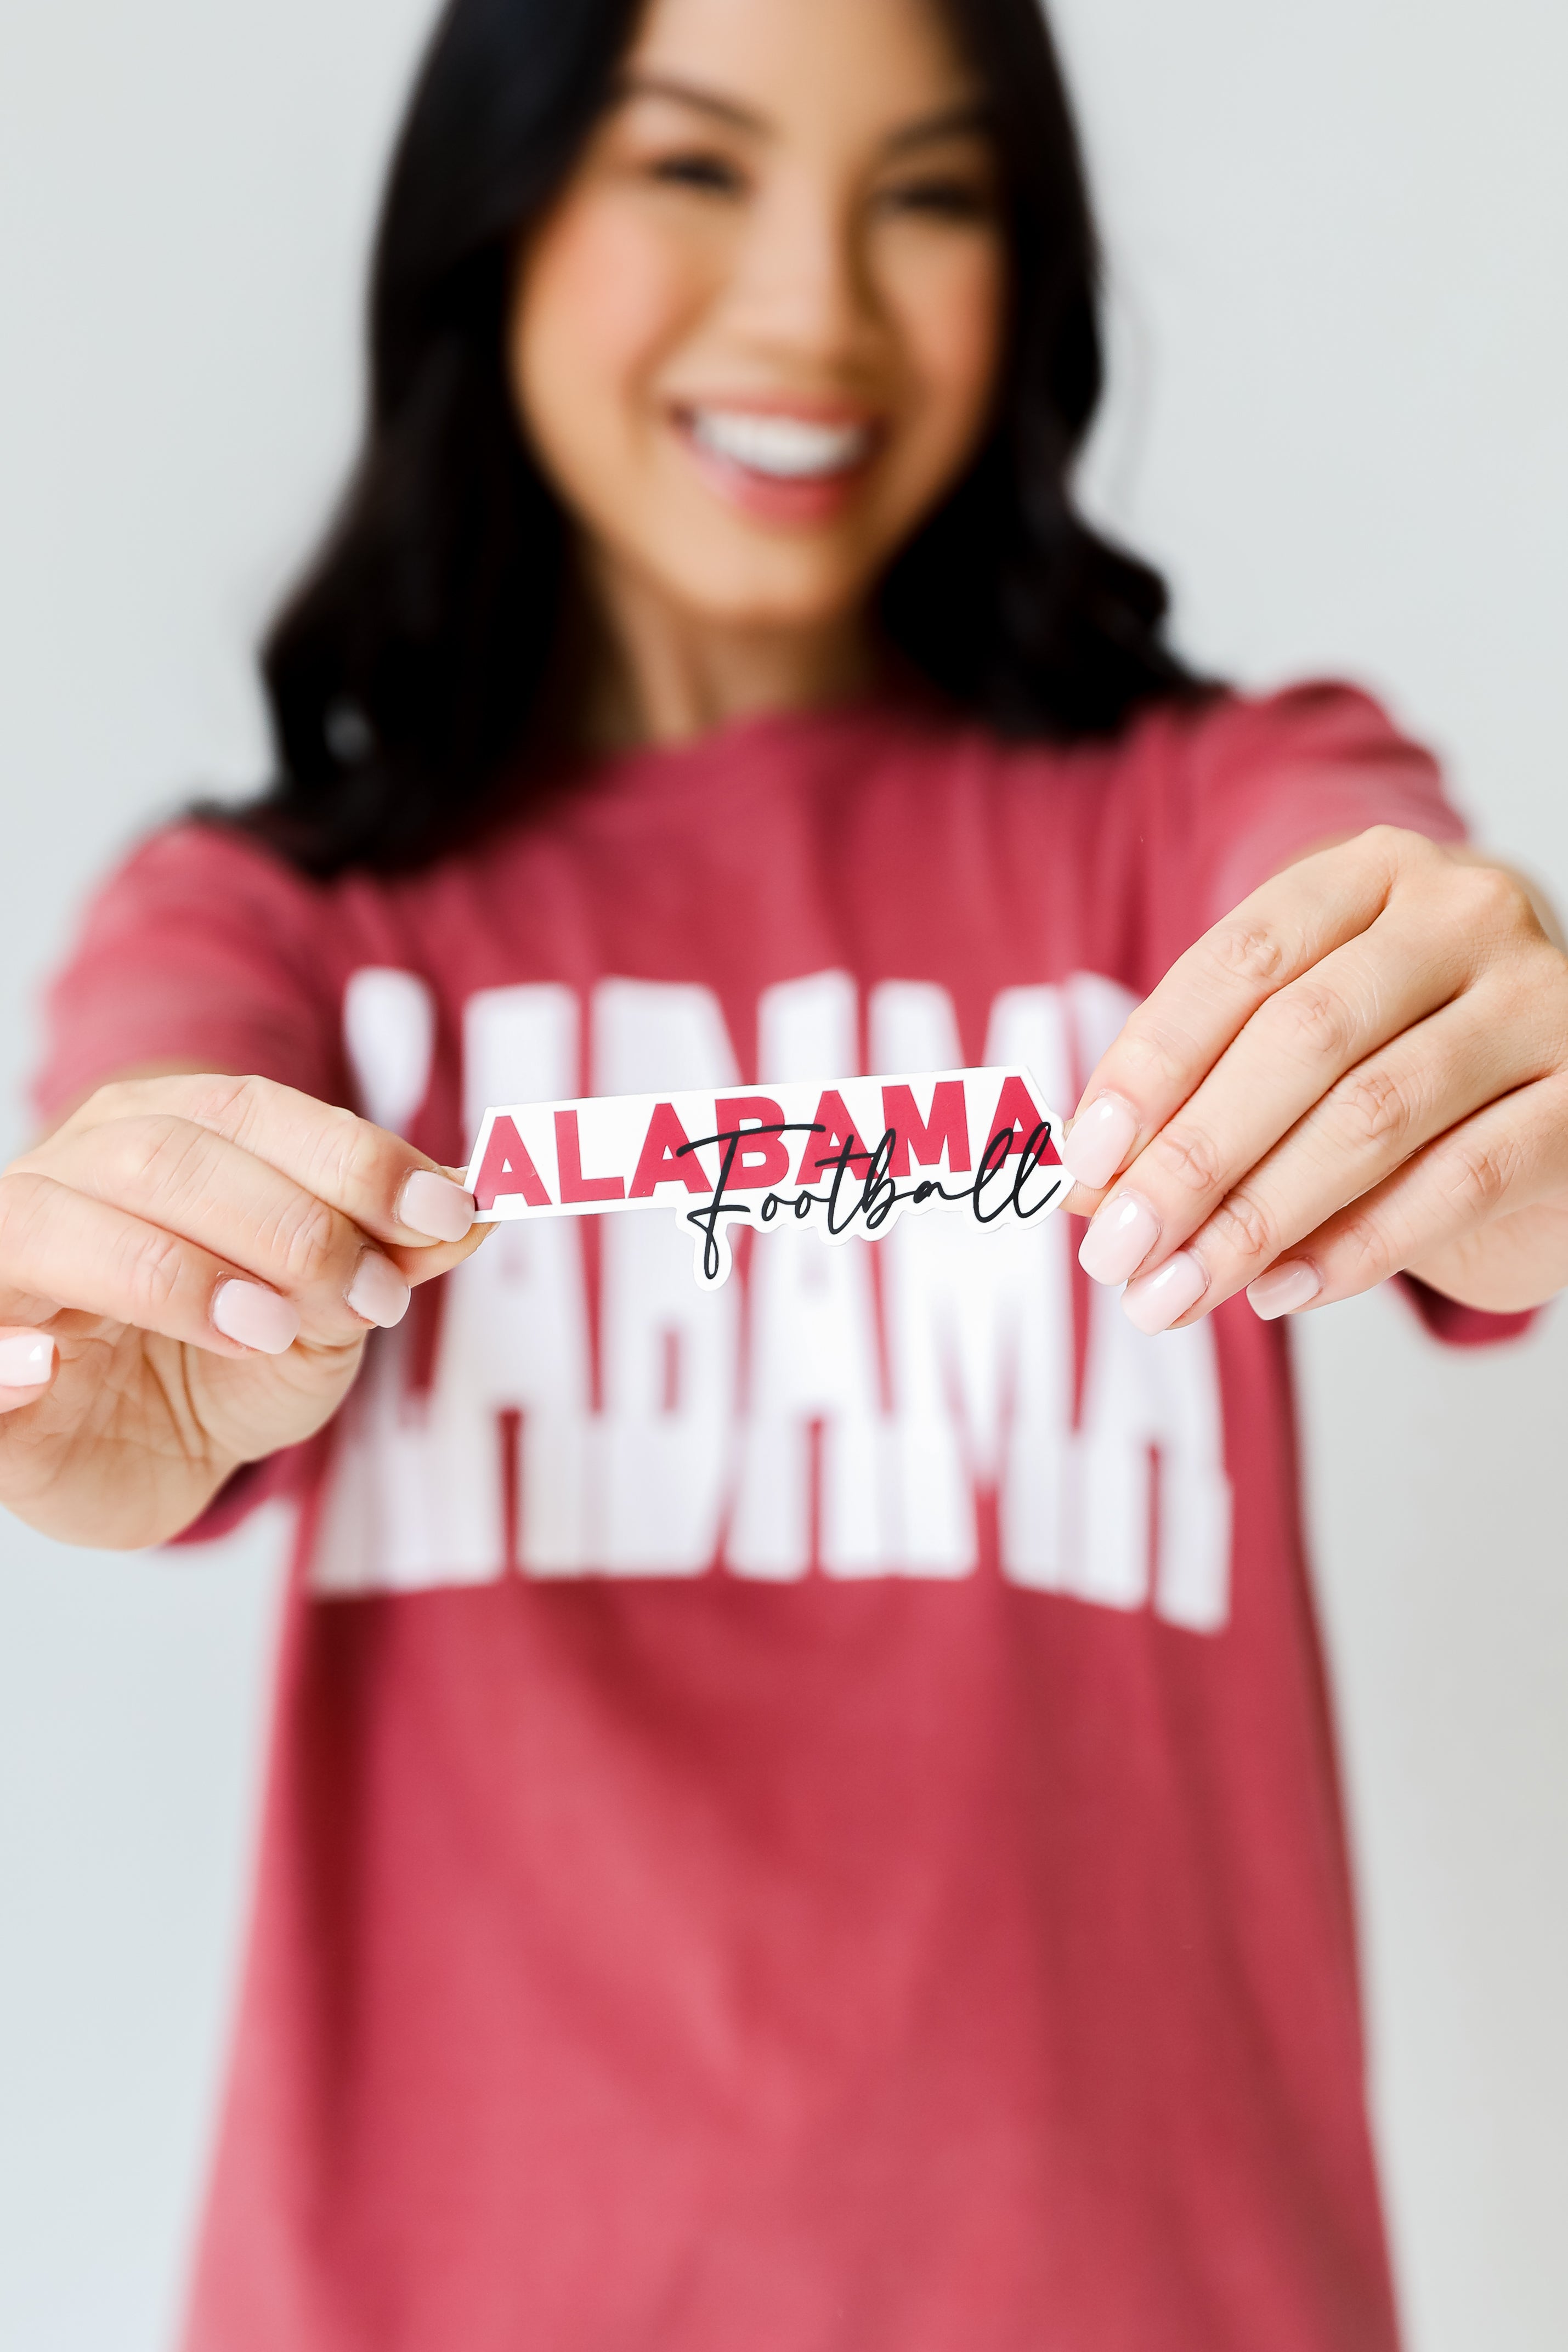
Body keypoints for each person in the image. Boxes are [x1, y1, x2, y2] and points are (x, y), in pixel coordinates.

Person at [6, 0, 1566, 2343]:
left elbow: (1364, 899)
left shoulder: (1202, 805)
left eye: (926, 192)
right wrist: (107, 1314)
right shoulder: (270, 926)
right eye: (694, 168)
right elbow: (142, 1126)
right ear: (496, 213)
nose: (812, 308)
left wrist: (1472, 1056)